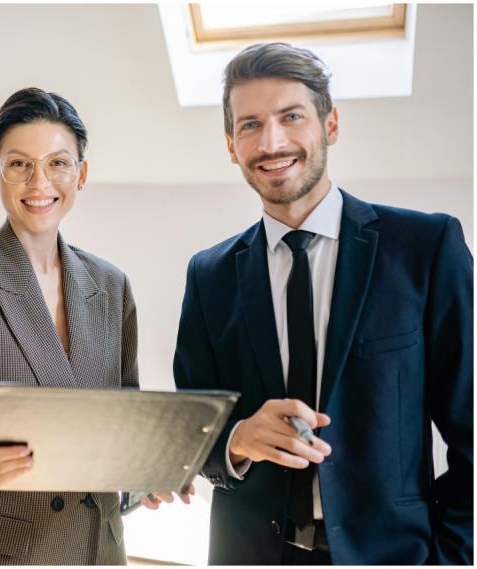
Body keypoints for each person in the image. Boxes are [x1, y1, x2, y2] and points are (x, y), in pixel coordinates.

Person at [173, 42, 473, 564]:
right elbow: (191, 433)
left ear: (330, 124)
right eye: (249, 125)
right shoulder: (208, 274)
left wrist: (449, 556)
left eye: (292, 117)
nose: (272, 142)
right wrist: (239, 437)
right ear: (230, 143)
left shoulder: (426, 247)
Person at [0, 87, 146, 564]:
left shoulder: (112, 284)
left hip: (99, 547)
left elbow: (126, 415)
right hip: (3, 551)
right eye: (19, 164)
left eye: (58, 163)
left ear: (80, 174)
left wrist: (145, 470)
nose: (40, 182)